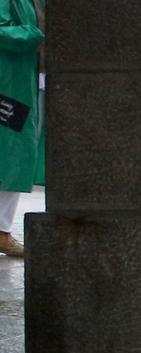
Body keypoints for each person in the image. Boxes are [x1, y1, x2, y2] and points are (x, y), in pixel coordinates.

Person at [0, 0, 43, 259]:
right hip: (8, 87)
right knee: (11, 154)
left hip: (16, 83)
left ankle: (2, 229)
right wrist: (35, 35)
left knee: (14, 155)